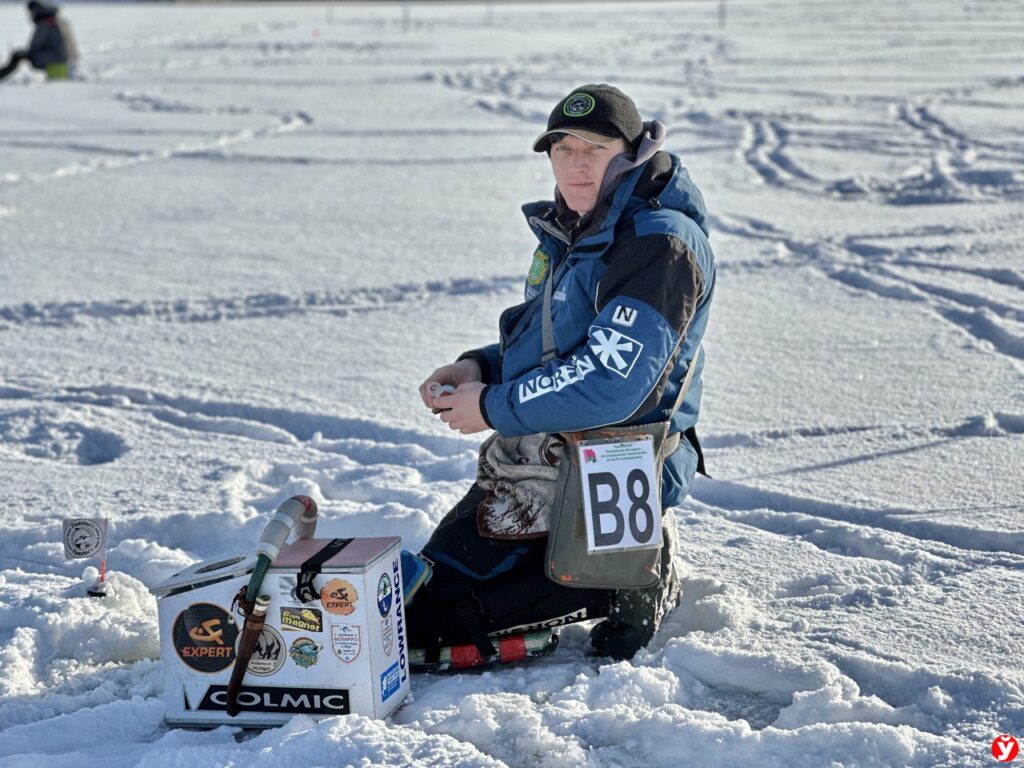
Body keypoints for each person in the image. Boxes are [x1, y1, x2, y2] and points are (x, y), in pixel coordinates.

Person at [406, 84, 716, 663]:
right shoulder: (582, 227)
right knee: (428, 582)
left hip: (619, 461)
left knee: (435, 619)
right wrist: (479, 366)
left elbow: (611, 384)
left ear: (631, 154)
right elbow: (555, 347)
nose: (574, 163)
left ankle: (633, 568)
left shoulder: (658, 244)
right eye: (561, 148)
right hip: (548, 448)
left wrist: (493, 406)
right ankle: (612, 561)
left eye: (593, 148)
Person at [0, 1, 69, 82]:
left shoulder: (44, 24)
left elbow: (36, 44)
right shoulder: (49, 20)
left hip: (52, 58)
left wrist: (24, 53)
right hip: (56, 56)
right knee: (19, 55)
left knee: (17, 56)